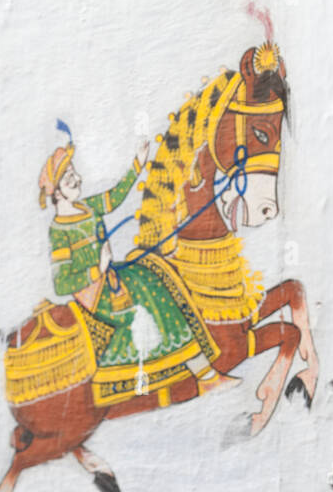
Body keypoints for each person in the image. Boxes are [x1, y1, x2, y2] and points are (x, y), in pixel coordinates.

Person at [38, 137, 235, 395]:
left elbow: (114, 197)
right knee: (149, 294)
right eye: (68, 178)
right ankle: (203, 373)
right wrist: (98, 268)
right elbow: (62, 284)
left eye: (75, 173)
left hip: (111, 276)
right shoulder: (58, 230)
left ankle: (197, 366)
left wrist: (137, 165)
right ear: (57, 192)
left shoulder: (86, 207)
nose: (77, 180)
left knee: (152, 271)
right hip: (94, 294)